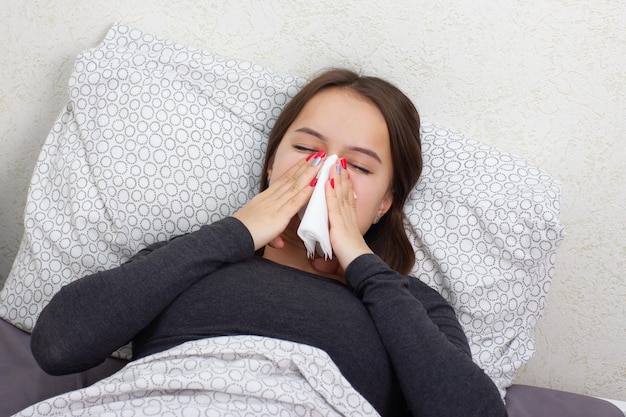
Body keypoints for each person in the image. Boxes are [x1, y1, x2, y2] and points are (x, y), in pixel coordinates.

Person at [30, 69, 507, 416]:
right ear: (271, 165)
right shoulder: (195, 256)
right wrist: (236, 231)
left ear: (385, 203)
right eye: (307, 150)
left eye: (358, 167)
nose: (325, 175)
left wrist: (361, 264)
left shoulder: (411, 304)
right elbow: (57, 344)